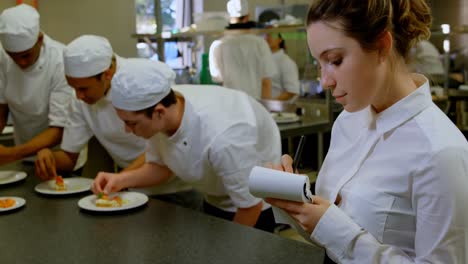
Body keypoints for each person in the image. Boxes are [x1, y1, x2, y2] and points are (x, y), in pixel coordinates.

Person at [266, 0, 468, 263]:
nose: (325, 81)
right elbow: (326, 237)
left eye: (335, 61)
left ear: (382, 47)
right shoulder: (347, 122)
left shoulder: (441, 152)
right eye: (319, 64)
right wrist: (292, 199)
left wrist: (334, 229)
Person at [91, 59, 281, 232]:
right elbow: (161, 167)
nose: (127, 130)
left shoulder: (223, 136)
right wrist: (121, 180)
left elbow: (250, 206)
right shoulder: (162, 108)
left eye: (131, 123)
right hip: (215, 196)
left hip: (257, 207)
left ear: (158, 113)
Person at [34, 35, 199, 209]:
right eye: (73, 87)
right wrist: (48, 157)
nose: (78, 96)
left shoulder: (145, 78)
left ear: (107, 74)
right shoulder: (82, 100)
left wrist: (121, 179)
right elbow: (69, 156)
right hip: (129, 190)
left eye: (83, 88)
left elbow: (164, 144)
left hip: (176, 189)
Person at [0, 4, 82, 167]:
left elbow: (58, 129)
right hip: (22, 152)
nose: (20, 62)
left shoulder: (60, 61)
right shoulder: (2, 57)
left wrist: (11, 154)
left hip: (61, 155)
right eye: (13, 57)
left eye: (26, 55)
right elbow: (1, 109)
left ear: (40, 39)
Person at [208, 0, 277, 100]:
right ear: (247, 17)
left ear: (228, 18)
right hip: (255, 104)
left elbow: (219, 80)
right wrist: (266, 111)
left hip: (231, 104)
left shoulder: (217, 45)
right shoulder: (260, 43)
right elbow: (266, 82)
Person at [264, 33, 300, 101]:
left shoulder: (286, 62)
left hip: (276, 109)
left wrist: (269, 104)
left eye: (272, 35)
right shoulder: (263, 59)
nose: (268, 38)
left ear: (280, 39)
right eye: (267, 35)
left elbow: (291, 92)